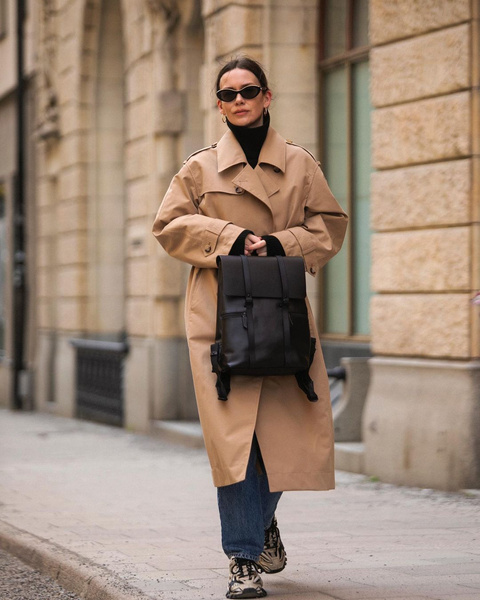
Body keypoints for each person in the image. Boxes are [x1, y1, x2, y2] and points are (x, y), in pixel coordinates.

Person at [153, 57, 348, 599]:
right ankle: (243, 559)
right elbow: (167, 226)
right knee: (236, 440)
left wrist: (281, 243)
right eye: (228, 93)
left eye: (249, 90)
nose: (238, 100)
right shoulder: (199, 168)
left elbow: (330, 225)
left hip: (282, 311)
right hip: (220, 317)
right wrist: (230, 238)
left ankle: (260, 525)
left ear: (267, 97)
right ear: (219, 105)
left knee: (285, 434)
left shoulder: (300, 164)